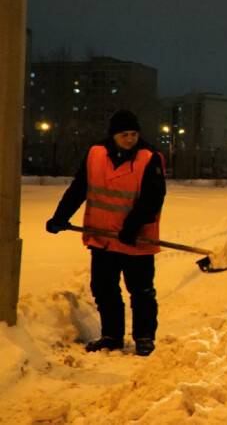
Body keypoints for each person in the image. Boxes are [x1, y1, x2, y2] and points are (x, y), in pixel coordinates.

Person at [45, 110, 166, 356]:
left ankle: (144, 337)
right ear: (113, 135)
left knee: (141, 291)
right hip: (103, 240)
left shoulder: (149, 157)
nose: (130, 139)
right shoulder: (95, 154)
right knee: (104, 289)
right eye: (124, 135)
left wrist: (131, 227)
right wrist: (60, 217)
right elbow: (79, 188)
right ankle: (111, 336)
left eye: (134, 134)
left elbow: (153, 199)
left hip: (135, 239)